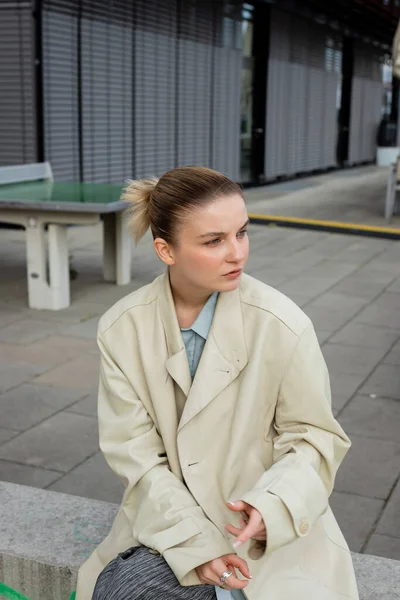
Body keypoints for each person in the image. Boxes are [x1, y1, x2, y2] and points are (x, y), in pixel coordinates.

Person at [75, 166, 359, 600]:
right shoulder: (123, 329)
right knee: (124, 591)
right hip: (169, 521)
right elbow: (135, 456)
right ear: (165, 250)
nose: (237, 254)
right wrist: (194, 545)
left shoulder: (282, 324)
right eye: (214, 241)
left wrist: (274, 504)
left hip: (262, 533)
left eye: (242, 233)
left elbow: (314, 437)